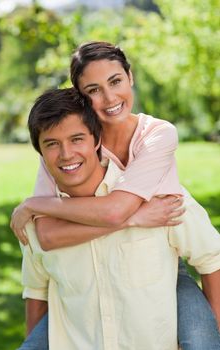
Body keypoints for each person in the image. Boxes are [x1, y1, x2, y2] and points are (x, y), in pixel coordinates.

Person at [11, 41, 220, 349]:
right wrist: (34, 207)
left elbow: (115, 212)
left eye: (115, 81)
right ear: (80, 96)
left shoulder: (156, 137)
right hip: (99, 262)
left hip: (163, 257)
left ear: (130, 77)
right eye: (93, 90)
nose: (109, 98)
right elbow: (45, 236)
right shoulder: (68, 144)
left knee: (203, 339)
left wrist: (31, 204)